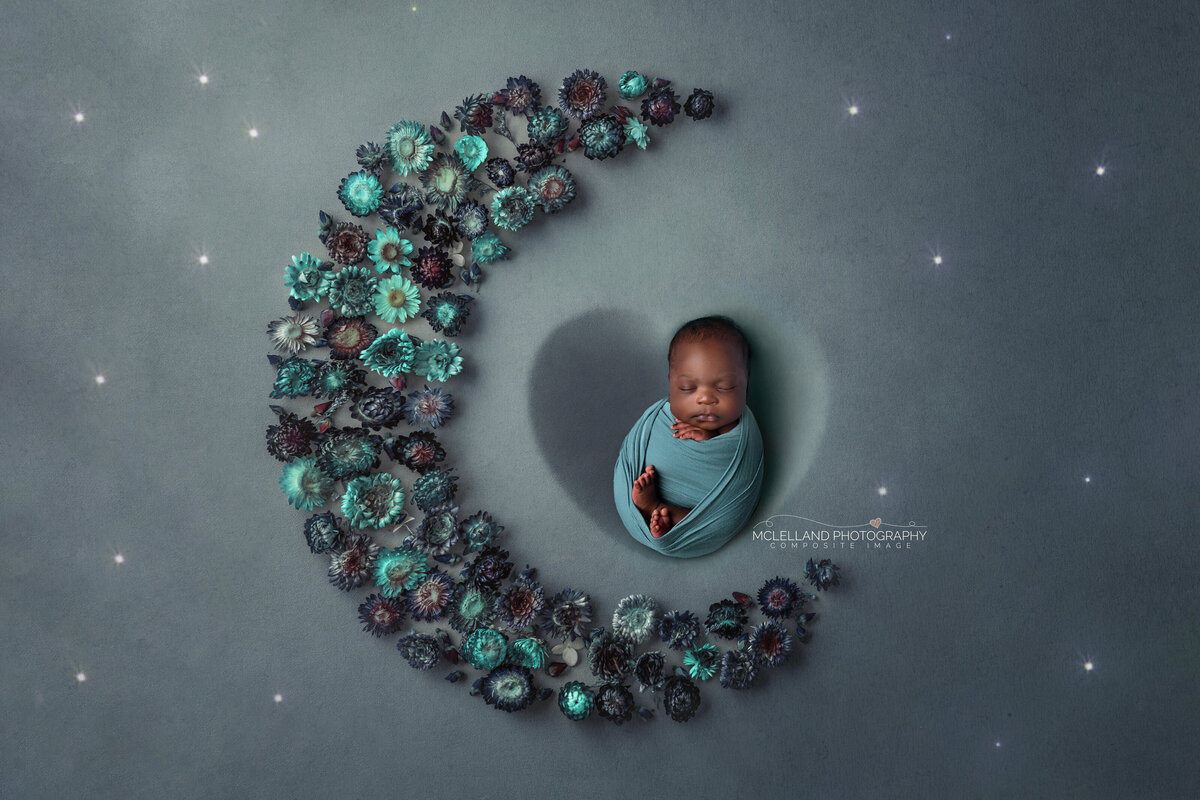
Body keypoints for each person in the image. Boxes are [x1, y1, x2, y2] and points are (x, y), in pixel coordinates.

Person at [612, 315, 765, 557]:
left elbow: (734, 455)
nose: (705, 399)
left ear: (746, 384)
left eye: (724, 387)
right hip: (655, 491)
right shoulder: (658, 416)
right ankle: (651, 510)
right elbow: (632, 449)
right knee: (634, 485)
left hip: (704, 510)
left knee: (717, 517)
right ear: (670, 384)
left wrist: (710, 438)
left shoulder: (740, 430)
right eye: (688, 388)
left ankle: (657, 509)